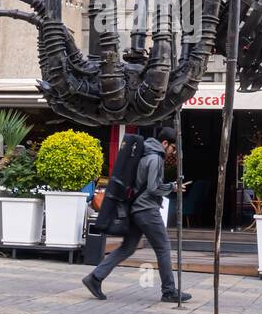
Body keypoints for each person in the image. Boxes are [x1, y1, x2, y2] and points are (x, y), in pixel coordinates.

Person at [82, 126, 191, 303]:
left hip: (135, 209)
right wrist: (173, 187)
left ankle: (95, 277)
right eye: (172, 148)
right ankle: (169, 291)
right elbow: (153, 188)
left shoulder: (143, 153)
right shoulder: (155, 157)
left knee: (128, 247)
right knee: (163, 247)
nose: (172, 152)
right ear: (164, 143)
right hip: (147, 211)